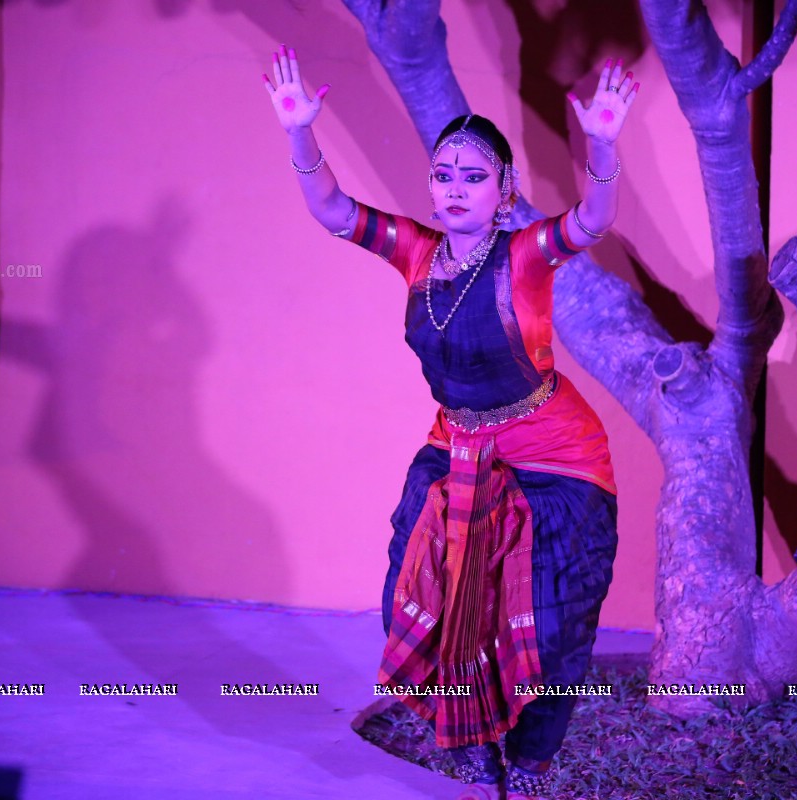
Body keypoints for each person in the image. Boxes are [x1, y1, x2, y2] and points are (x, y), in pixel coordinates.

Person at [263, 43, 639, 800]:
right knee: (422, 594)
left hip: (556, 456)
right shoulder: (415, 253)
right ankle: (473, 752)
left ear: (504, 194)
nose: (456, 188)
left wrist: (601, 145)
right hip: (459, 445)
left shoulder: (526, 254)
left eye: (475, 177)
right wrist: (300, 129)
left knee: (555, 617)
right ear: (430, 188)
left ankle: (530, 766)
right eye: (445, 175)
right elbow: (332, 209)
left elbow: (593, 219)